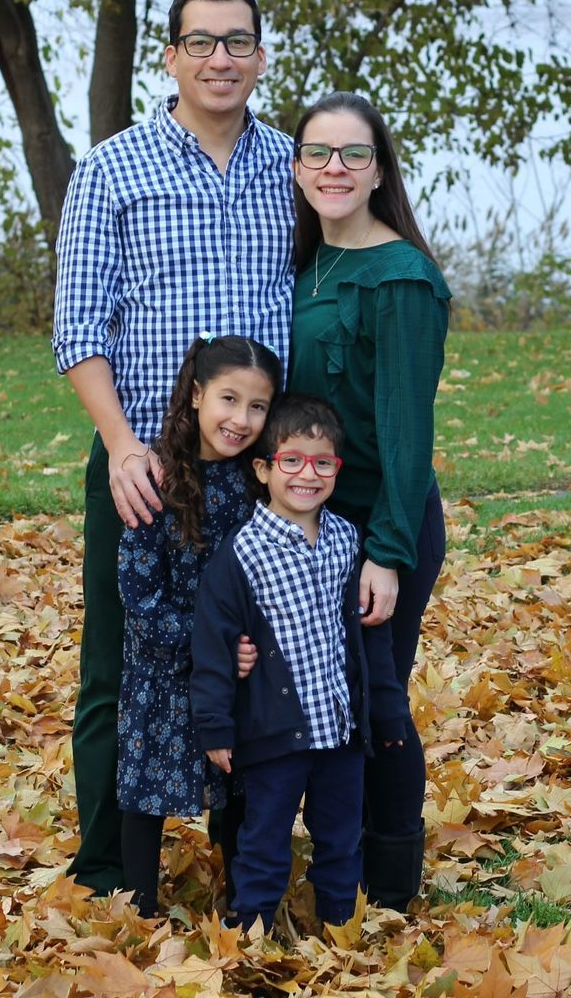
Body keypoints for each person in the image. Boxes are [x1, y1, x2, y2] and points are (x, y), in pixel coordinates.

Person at [50, 0, 294, 896]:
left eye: (238, 43)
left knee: (252, 662)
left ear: (260, 58)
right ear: (171, 57)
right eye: (202, 43)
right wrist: (120, 444)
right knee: (121, 666)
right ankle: (111, 867)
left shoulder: (291, 168)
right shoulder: (115, 168)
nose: (220, 60)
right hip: (145, 462)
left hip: (262, 472)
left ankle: (254, 861)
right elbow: (79, 328)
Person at [286, 92, 451, 910]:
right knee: (316, 703)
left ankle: (387, 886)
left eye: (353, 154)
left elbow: (407, 436)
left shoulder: (400, 279)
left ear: (379, 169)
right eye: (318, 153)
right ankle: (328, 865)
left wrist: (386, 551)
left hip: (377, 523)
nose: (335, 169)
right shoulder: (301, 264)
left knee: (375, 701)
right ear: (297, 167)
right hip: (299, 523)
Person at [191, 394, 412, 931]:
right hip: (274, 738)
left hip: (339, 734)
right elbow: (214, 645)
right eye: (291, 460)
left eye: (322, 463)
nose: (307, 475)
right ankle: (250, 934)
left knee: (340, 839)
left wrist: (385, 712)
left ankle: (340, 930)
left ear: (337, 469)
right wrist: (216, 726)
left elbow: (369, 641)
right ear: (264, 468)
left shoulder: (346, 541)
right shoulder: (241, 554)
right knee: (264, 842)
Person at [115, 335, 281, 916]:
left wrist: (246, 645)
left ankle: (243, 899)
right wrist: (210, 644)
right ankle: (137, 906)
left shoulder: (259, 485)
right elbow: (138, 596)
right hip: (163, 667)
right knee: (146, 793)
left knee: (234, 782)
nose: (240, 419)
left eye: (257, 406)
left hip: (236, 665)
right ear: (195, 396)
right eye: (228, 400)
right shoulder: (156, 478)